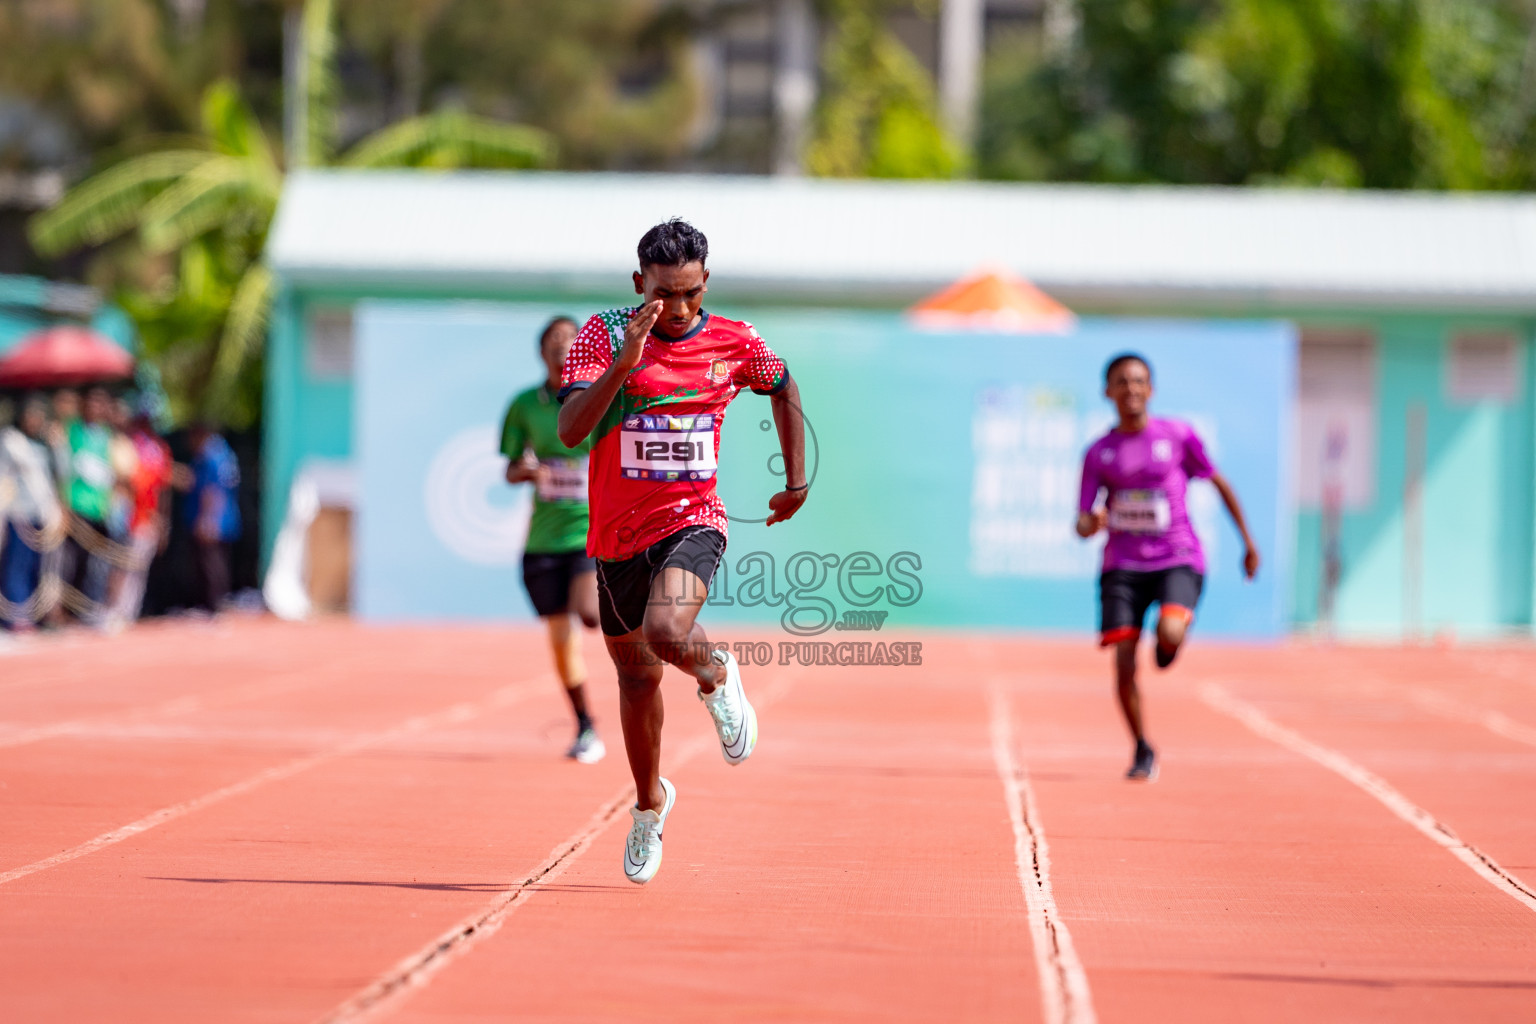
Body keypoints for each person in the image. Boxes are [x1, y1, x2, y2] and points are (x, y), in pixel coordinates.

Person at [557, 219, 808, 884]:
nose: (683, 309)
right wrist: (625, 364)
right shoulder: (603, 334)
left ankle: (717, 674)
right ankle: (649, 805)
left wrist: (795, 481)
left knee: (668, 631)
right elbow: (570, 429)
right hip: (615, 538)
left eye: (694, 292)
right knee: (636, 680)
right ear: (641, 285)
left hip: (693, 519)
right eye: (668, 295)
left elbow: (783, 385)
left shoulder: (732, 340)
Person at [1076, 353, 1259, 781]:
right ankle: (1142, 747)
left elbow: (1219, 483)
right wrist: (1092, 522)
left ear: (1151, 389)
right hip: (1121, 565)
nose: (1130, 389)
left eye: (1138, 381)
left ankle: (1167, 642)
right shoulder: (1099, 453)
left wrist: (1247, 542)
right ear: (1107, 391)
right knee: (1123, 661)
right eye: (1121, 382)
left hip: (1177, 557)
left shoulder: (1178, 436)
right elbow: (1082, 522)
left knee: (1171, 631)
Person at [500, 316, 606, 764]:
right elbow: (509, 469)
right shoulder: (525, 405)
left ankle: (629, 616)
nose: (562, 348)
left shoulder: (600, 398)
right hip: (543, 540)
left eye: (570, 340)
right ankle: (586, 725)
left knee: (588, 614)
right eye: (552, 342)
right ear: (541, 352)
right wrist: (526, 470)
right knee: (562, 640)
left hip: (589, 530)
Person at [0, 397, 64, 631]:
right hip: (19, 513)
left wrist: (58, 446)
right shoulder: (11, 442)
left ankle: (31, 614)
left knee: (37, 567)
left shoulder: (43, 446)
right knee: (16, 565)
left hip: (41, 514)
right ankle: (16, 615)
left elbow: (60, 475)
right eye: (31, 415)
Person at [109, 400, 173, 627]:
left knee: (139, 568)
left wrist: (163, 520)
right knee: (121, 565)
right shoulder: (129, 444)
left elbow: (163, 487)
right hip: (129, 515)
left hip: (150, 518)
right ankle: (113, 610)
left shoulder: (160, 448)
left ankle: (128, 612)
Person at [59, 386, 117, 622]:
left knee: (91, 563)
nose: (96, 408)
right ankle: (64, 611)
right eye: (92, 402)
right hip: (76, 506)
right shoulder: (71, 431)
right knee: (69, 561)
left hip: (98, 508)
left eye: (100, 403)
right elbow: (63, 469)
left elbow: (108, 473)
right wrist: (63, 504)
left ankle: (82, 610)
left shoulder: (104, 435)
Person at [183, 423, 241, 612]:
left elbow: (212, 490)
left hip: (213, 520)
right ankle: (216, 605)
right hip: (225, 519)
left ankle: (213, 607)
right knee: (218, 563)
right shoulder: (225, 453)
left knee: (210, 565)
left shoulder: (210, 455)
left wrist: (208, 519)